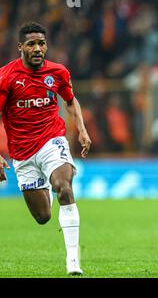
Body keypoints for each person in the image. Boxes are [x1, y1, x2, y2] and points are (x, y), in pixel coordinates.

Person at [0, 22, 91, 275]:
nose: (38, 48)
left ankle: (73, 261)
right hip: (22, 153)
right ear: (20, 47)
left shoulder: (58, 72)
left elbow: (71, 102)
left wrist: (82, 130)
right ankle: (46, 188)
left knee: (64, 187)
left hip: (52, 141)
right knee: (43, 217)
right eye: (31, 44)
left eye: (41, 43)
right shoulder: (6, 77)